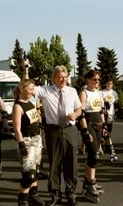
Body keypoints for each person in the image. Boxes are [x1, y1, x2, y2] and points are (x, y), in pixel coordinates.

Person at [22, 61, 81, 206]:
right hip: (53, 130)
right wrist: (26, 70)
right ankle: (55, 194)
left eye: (65, 77)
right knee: (55, 164)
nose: (63, 79)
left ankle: (70, 193)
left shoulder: (72, 91)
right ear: (54, 78)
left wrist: (75, 115)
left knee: (71, 164)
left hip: (70, 130)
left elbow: (79, 109)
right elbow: (27, 87)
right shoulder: (46, 90)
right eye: (60, 77)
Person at [12, 79, 45, 206]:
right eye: (30, 89)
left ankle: (33, 195)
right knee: (28, 175)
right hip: (27, 141)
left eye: (33, 89)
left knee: (35, 171)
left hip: (37, 140)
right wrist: (21, 145)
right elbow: (16, 128)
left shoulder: (30, 103)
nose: (32, 92)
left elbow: (34, 119)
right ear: (21, 89)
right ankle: (22, 200)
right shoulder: (17, 106)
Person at [79, 70, 106, 203]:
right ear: (88, 80)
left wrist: (104, 126)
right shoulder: (83, 93)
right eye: (94, 79)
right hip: (88, 123)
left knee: (95, 155)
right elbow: (81, 114)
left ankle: (88, 182)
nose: (97, 82)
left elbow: (101, 110)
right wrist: (84, 131)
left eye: (98, 80)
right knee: (93, 155)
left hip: (98, 124)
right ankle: (90, 184)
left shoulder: (98, 93)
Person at [100, 77, 119, 162]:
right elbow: (100, 103)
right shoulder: (102, 92)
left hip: (111, 114)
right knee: (104, 130)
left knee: (109, 131)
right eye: (108, 83)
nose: (109, 85)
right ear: (105, 84)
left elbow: (116, 103)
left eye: (110, 84)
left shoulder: (114, 93)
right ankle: (105, 146)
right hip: (104, 114)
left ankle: (106, 145)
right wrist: (104, 104)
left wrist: (117, 113)